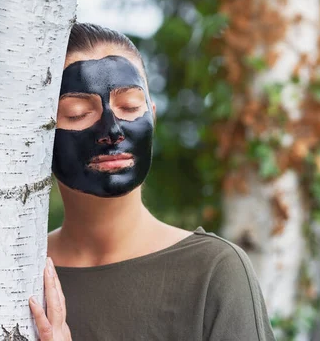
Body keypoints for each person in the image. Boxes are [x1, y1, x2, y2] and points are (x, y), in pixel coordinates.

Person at [28, 22, 276, 341]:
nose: (112, 130)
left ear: (152, 116)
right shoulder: (9, 272)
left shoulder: (213, 271)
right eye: (77, 113)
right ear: (43, 130)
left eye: (130, 107)